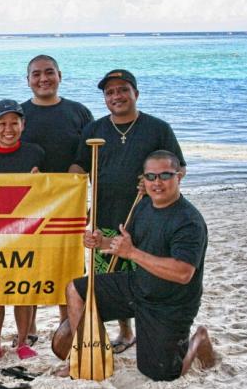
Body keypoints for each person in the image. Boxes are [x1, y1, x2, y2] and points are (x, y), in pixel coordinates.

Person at [59, 150, 214, 381]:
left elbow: (183, 273)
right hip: (139, 286)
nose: (157, 182)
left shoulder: (188, 221)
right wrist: (101, 242)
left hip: (170, 303)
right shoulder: (144, 206)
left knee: (162, 373)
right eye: (150, 176)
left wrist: (131, 253)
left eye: (165, 175)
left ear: (179, 176)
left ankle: (199, 339)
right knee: (76, 291)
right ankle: (87, 357)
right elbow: (127, 244)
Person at [69, 69, 186, 353]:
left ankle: (148, 331)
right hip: (105, 216)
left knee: (145, 276)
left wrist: (156, 183)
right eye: (110, 92)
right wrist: (61, 190)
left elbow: (179, 168)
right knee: (109, 279)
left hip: (147, 217)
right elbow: (78, 167)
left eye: (123, 90)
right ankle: (124, 331)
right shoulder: (94, 130)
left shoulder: (158, 128)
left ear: (136, 93)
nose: (116, 96)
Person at [20, 54, 94, 339]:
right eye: (36, 74)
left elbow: (92, 156)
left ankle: (67, 324)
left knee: (68, 264)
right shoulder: (20, 114)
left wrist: (88, 199)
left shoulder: (79, 112)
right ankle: (29, 327)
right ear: (28, 80)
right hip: (29, 206)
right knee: (29, 264)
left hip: (69, 205)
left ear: (60, 76)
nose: (43, 79)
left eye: (49, 72)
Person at [0, 100, 45, 361]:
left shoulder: (36, 153)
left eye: (14, 123)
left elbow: (51, 193)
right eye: (2, 123)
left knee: (23, 290)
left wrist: (41, 181)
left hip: (26, 232)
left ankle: (23, 341)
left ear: (23, 125)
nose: (8, 129)